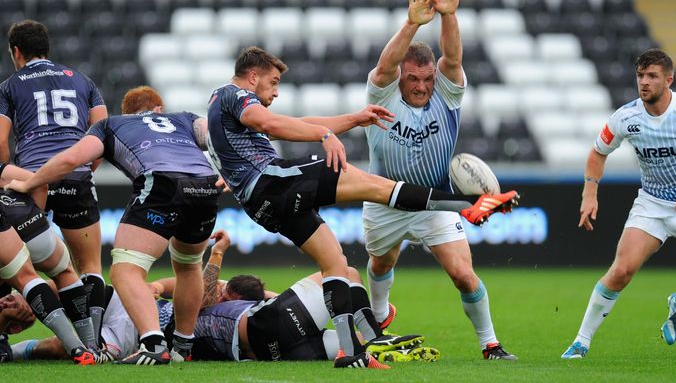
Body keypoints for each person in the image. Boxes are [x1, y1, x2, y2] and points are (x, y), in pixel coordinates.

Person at [206, 45, 518, 368]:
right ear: (253, 76)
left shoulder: (217, 104)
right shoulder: (234, 94)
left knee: (336, 263)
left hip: (262, 203)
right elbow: (270, 125)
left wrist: (353, 119)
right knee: (375, 186)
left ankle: (351, 352)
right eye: (273, 83)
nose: (275, 92)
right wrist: (324, 134)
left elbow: (286, 123)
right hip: (275, 181)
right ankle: (466, 205)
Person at [5, 86, 222, 365]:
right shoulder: (184, 119)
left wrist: (28, 182)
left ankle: (154, 344)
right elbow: (219, 137)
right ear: (159, 108)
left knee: (124, 270)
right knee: (189, 265)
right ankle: (183, 346)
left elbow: (72, 159)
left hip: (162, 184)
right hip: (205, 187)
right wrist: (229, 174)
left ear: (127, 112)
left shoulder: (111, 125)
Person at [361, 0, 516, 361]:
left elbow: (454, 59)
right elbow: (385, 65)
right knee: (382, 262)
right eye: (412, 79)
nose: (420, 86)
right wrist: (412, 22)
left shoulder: (446, 96)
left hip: (436, 203)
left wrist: (448, 16)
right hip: (385, 200)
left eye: (426, 79)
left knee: (463, 275)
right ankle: (380, 319)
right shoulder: (382, 91)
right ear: (401, 78)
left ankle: (490, 345)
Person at [13, 230, 440, 364]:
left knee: (348, 332)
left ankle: (370, 341)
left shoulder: (136, 303)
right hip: (258, 325)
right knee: (342, 270)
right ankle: (372, 328)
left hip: (270, 351)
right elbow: (197, 295)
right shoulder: (135, 321)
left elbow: (169, 289)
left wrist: (15, 350)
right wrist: (214, 256)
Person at [561, 49, 676, 359]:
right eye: (640, 76)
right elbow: (597, 153)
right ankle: (581, 341)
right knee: (621, 271)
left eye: (652, 76)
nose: (644, 82)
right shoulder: (625, 117)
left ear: (668, 80)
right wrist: (590, 193)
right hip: (652, 205)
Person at [0, 19, 108, 345]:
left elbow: (1, 140)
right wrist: (86, 166)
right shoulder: (83, 80)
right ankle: (95, 343)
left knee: (15, 265)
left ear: (16, 51)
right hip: (76, 176)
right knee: (88, 265)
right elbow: (102, 131)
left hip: (33, 180)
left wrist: (7, 170)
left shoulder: (9, 85)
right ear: (47, 48)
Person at [0, 163, 100, 354]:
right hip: (26, 218)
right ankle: (90, 347)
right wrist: (36, 217)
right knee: (64, 272)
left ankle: (78, 351)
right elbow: (39, 184)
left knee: (24, 278)